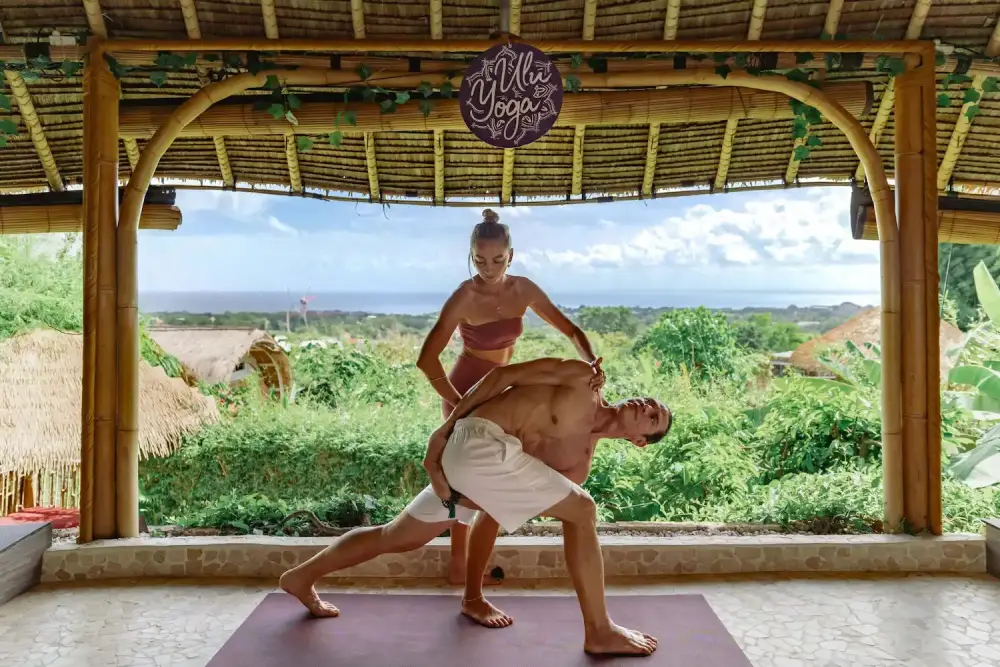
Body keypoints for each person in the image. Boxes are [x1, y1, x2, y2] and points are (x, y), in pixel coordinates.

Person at [279, 357, 670, 657]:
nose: (647, 405)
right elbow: (502, 377)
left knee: (397, 537)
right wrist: (445, 429)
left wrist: (454, 496)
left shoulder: (577, 466)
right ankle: (599, 630)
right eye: (651, 401)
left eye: (653, 417)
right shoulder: (582, 379)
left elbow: (495, 506)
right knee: (583, 509)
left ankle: (300, 577)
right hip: (476, 439)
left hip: (473, 470)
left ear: (639, 441)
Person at [416, 208, 602, 586]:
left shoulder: (524, 290)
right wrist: (460, 403)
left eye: (498, 259)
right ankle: (458, 564)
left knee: (486, 479)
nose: (489, 268)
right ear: (471, 256)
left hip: (501, 390)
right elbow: (427, 359)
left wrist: (591, 364)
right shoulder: (464, 296)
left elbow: (571, 330)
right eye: (480, 260)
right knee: (463, 482)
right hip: (467, 386)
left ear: (511, 256)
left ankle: (465, 565)